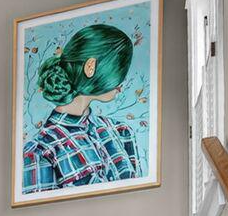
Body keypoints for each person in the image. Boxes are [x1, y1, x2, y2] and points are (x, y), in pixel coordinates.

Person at [21, 22, 142, 194]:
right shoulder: (40, 152)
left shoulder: (122, 132)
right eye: (118, 70)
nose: (121, 83)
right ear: (90, 66)